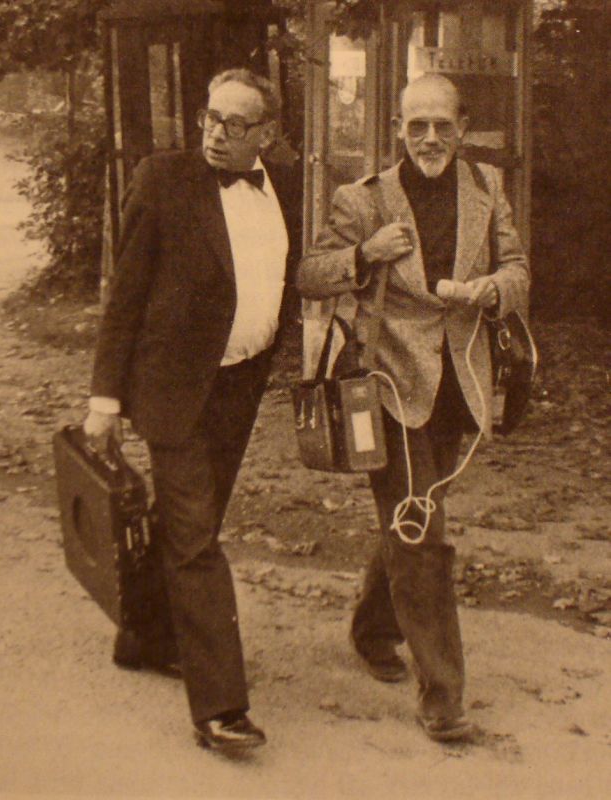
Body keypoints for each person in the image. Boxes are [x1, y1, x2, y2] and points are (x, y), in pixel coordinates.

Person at [296, 74, 530, 743]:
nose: (428, 138)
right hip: (388, 384)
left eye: (441, 125)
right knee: (422, 531)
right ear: (398, 128)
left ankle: (373, 629)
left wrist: (493, 290)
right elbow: (310, 274)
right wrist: (363, 254)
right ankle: (444, 696)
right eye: (415, 125)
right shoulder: (363, 198)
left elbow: (518, 269)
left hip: (460, 384)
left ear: (463, 129)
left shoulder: (487, 188)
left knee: (412, 516)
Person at [84, 68, 300, 752]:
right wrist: (104, 400)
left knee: (186, 527)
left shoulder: (285, 186)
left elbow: (284, 278)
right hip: (171, 390)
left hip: (239, 386)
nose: (216, 133)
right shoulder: (162, 179)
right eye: (210, 117)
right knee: (196, 541)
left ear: (267, 133)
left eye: (236, 124)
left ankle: (143, 637)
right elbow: (124, 295)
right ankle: (220, 706)